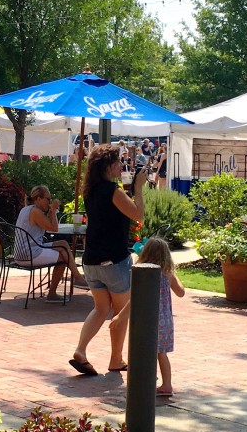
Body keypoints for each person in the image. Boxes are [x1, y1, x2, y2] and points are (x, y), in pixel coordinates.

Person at [70, 145, 147, 376]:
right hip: (114, 260)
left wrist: (129, 190)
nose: (121, 166)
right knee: (122, 311)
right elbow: (138, 215)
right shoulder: (112, 191)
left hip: (91, 260)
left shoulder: (90, 191)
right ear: (109, 166)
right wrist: (139, 189)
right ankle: (116, 359)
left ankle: (81, 350)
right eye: (118, 163)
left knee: (101, 308)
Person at [133, 237, 185, 396]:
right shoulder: (168, 274)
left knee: (143, 350)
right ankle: (166, 384)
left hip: (147, 318)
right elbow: (181, 293)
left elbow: (134, 296)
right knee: (161, 353)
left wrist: (122, 316)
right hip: (165, 320)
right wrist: (174, 275)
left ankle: (146, 379)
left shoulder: (141, 271)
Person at [15, 185, 85, 302]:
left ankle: (76, 277)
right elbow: (54, 228)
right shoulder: (35, 212)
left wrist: (51, 210)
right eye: (48, 199)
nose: (49, 202)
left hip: (23, 251)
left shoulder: (26, 209)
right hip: (29, 254)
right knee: (63, 256)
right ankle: (68, 283)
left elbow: (48, 225)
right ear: (38, 199)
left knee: (62, 244)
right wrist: (53, 210)